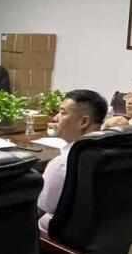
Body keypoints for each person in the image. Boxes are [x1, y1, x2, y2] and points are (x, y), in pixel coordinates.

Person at [37, 90, 107, 230]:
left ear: (84, 122)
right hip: (103, 229)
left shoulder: (62, 163)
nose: (55, 118)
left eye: (63, 113)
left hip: (66, 233)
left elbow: (40, 209)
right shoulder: (111, 152)